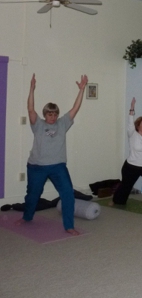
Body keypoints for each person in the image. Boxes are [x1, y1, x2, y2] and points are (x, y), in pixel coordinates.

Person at [18, 73, 88, 235]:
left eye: (55, 114)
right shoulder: (38, 124)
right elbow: (30, 109)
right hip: (36, 166)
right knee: (33, 194)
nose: (53, 117)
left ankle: (69, 226)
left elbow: (75, 109)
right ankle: (27, 217)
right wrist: (32, 89)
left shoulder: (62, 123)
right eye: (50, 114)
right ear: (45, 114)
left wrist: (81, 90)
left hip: (58, 166)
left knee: (67, 193)